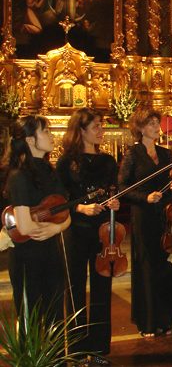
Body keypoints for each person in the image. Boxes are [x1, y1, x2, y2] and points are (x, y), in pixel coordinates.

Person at [56, 108, 120, 363]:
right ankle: (77, 346)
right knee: (75, 288)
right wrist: (80, 207)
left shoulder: (108, 161)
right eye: (96, 127)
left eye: (101, 126)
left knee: (103, 287)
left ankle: (99, 347)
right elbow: (61, 199)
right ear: (81, 131)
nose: (101, 131)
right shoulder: (66, 162)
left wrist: (115, 202)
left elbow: (113, 191)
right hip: (76, 230)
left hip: (104, 232)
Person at [118, 107, 172, 337]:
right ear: (140, 128)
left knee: (165, 266)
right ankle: (148, 321)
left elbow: (170, 180)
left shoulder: (165, 154)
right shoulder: (132, 154)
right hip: (143, 216)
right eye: (152, 124)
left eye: (157, 123)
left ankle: (165, 319)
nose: (157, 127)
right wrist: (145, 197)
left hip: (164, 215)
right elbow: (123, 188)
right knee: (147, 266)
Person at [3, 115, 70, 322]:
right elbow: (24, 227)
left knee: (56, 316)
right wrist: (53, 227)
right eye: (46, 131)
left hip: (51, 252)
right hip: (28, 258)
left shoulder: (50, 170)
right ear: (30, 140)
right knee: (30, 320)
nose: (51, 135)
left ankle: (56, 356)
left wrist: (55, 229)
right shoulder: (19, 175)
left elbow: (66, 215)